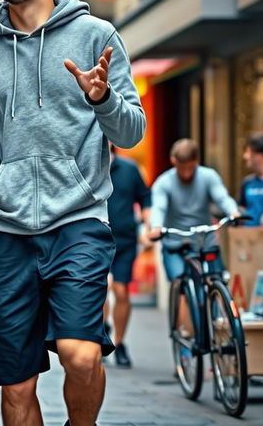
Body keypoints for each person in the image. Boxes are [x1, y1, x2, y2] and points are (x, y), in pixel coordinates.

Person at [0, 0, 145, 426]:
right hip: (1, 232)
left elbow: (131, 133)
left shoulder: (96, 35)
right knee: (15, 385)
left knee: (81, 355)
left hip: (78, 220)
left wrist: (101, 99)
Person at [148, 139, 239, 281]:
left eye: (191, 168)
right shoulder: (163, 183)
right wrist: (156, 227)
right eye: (181, 168)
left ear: (197, 161)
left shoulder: (208, 176)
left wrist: (233, 212)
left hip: (204, 240)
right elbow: (159, 208)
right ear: (173, 161)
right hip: (175, 243)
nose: (186, 173)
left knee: (217, 280)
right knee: (180, 284)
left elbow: (222, 198)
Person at [103, 145, 151, 368]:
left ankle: (120, 343)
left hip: (125, 240)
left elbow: (144, 197)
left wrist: (148, 225)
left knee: (121, 290)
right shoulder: (88, 163)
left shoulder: (129, 169)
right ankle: (102, 330)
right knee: (99, 289)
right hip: (96, 239)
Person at [239, 133, 263, 227]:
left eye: (248, 152)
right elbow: (242, 206)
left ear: (260, 155)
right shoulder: (248, 182)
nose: (245, 156)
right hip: (249, 237)